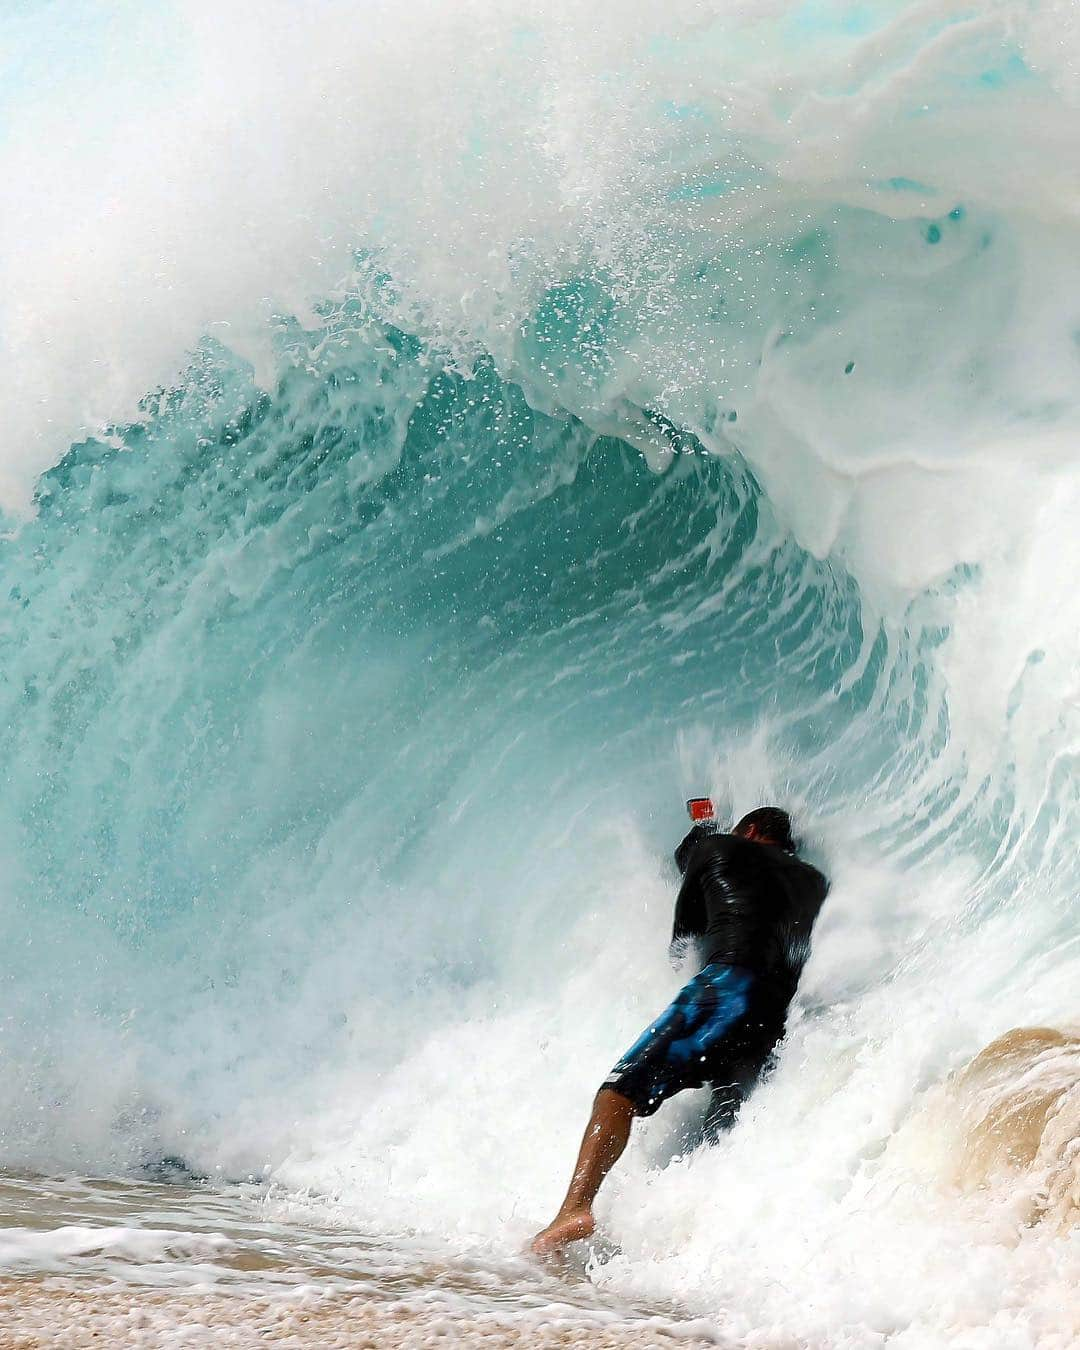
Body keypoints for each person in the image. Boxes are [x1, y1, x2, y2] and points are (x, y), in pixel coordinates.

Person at [530, 804, 828, 1256]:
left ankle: (575, 1208)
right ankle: (692, 1254)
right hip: (776, 1014)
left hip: (725, 990)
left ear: (748, 830)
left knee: (618, 1092)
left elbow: (685, 925)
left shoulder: (721, 848)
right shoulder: (815, 882)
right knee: (721, 1126)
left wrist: (704, 830)